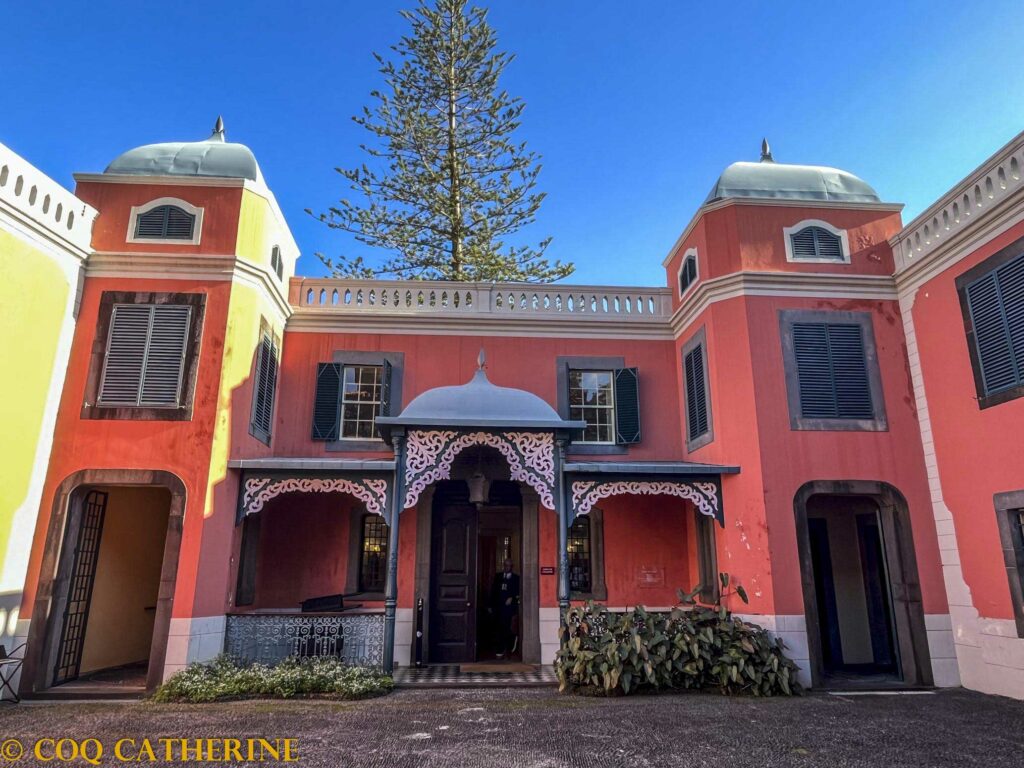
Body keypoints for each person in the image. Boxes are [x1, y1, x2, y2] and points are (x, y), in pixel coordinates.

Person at [489, 558, 520, 658]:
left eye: (509, 565)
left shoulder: (516, 578)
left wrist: (512, 598)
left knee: (506, 627)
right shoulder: (498, 576)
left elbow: (519, 592)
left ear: (512, 567)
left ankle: (506, 647)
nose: (507, 567)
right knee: (498, 627)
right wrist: (490, 605)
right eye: (505, 565)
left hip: (509, 608)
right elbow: (493, 591)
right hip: (498, 607)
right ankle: (504, 646)